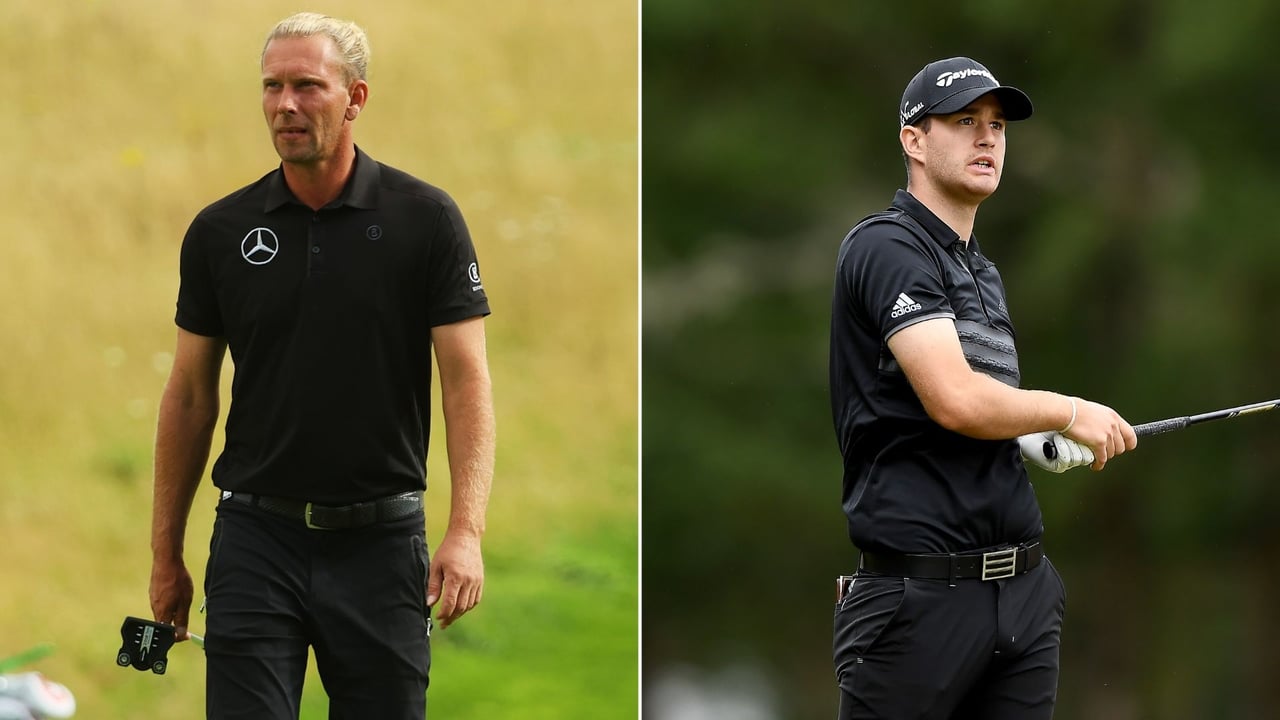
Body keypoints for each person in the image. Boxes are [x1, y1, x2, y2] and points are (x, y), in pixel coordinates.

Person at [148, 12, 495, 719]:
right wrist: (166, 554)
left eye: (308, 86)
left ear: (355, 98)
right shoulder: (220, 231)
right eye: (272, 87)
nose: (286, 105)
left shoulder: (424, 219)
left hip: (381, 543)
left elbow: (466, 381)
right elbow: (188, 395)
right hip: (255, 539)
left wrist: (466, 532)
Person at [827, 57, 1136, 719]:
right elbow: (956, 399)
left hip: (1022, 596)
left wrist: (1032, 434)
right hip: (916, 604)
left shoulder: (981, 273)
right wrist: (1071, 410)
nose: (987, 138)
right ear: (914, 139)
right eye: (965, 121)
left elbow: (972, 408)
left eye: (996, 125)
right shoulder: (886, 247)